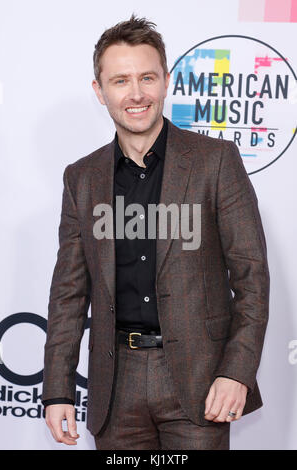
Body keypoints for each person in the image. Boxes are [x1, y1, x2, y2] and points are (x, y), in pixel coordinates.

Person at [42, 14, 270, 450]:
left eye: (147, 77)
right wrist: (58, 389)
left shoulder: (215, 161)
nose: (136, 94)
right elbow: (68, 294)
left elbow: (252, 278)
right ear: (100, 91)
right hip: (115, 383)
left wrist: (236, 371)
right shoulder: (82, 178)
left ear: (166, 81)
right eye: (120, 80)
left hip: (199, 381)